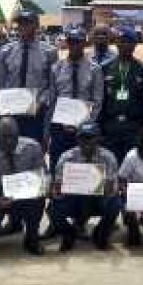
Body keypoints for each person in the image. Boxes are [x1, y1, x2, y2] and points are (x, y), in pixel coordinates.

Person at [0, 116, 46, 255]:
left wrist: (45, 185)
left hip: (26, 196)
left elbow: (42, 175)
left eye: (13, 136)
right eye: (5, 137)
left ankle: (32, 237)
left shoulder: (33, 147)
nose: (10, 141)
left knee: (39, 199)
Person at [50, 122, 121, 252]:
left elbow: (113, 189)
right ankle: (69, 233)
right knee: (53, 208)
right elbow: (57, 187)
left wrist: (105, 188)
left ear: (99, 138)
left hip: (98, 199)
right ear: (77, 139)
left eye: (91, 137)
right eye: (83, 138)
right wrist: (57, 190)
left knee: (115, 203)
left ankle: (100, 233)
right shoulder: (66, 157)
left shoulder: (108, 157)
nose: (86, 141)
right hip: (74, 199)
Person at [46, 28, 104, 177]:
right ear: (67, 43)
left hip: (85, 129)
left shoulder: (95, 69)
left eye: (78, 42)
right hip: (60, 127)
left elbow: (97, 101)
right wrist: (49, 129)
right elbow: (52, 100)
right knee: (58, 166)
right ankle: (58, 198)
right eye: (71, 42)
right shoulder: (56, 68)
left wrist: (85, 124)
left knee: (83, 168)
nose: (74, 46)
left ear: (84, 43)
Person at [0, 11, 57, 141]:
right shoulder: (5, 51)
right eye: (20, 23)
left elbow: (51, 85)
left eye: (27, 23)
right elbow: (1, 83)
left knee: (33, 148)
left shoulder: (49, 52)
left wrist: (42, 102)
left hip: (36, 111)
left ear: (36, 26)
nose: (22, 27)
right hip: (11, 111)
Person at [98, 27, 143, 162]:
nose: (125, 45)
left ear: (135, 44)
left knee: (131, 166)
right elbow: (100, 99)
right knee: (111, 164)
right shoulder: (105, 68)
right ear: (116, 44)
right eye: (121, 41)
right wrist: (100, 127)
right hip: (111, 126)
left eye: (129, 41)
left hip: (133, 126)